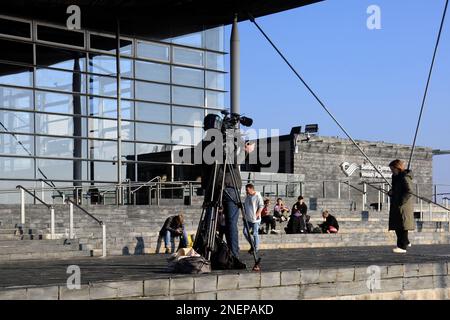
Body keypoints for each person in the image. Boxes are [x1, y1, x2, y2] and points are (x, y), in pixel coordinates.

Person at [199, 114, 255, 261]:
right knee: (231, 222)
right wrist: (246, 151)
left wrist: (205, 187)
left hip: (212, 186)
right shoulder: (233, 139)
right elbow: (235, 161)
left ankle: (206, 253)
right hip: (230, 185)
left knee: (210, 220)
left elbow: (203, 168)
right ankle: (233, 256)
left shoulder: (205, 142)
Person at [388, 159, 414, 253]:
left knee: (402, 226)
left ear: (397, 168)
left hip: (403, 205)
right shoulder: (396, 177)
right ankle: (406, 242)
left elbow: (409, 191)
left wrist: (401, 201)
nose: (391, 171)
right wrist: (391, 192)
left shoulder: (404, 177)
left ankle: (402, 247)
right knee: (397, 225)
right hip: (397, 204)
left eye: (392, 169)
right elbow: (396, 189)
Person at [243, 183, 263, 254]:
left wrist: (257, 214)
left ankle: (256, 248)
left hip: (255, 220)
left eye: (247, 190)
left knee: (255, 233)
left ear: (252, 189)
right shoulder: (248, 196)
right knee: (245, 232)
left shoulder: (258, 196)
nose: (246, 191)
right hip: (248, 219)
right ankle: (252, 245)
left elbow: (261, 206)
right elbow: (245, 206)